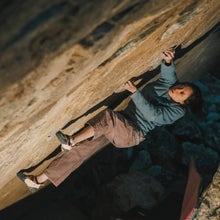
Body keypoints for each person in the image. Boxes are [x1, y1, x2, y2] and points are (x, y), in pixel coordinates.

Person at [17, 48, 202, 192]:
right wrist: (168, 61)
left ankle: (71, 140)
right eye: (182, 87)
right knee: (83, 151)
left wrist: (135, 93)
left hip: (132, 132)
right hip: (123, 122)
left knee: (108, 117)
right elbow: (170, 76)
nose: (178, 90)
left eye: (182, 93)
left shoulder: (178, 112)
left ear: (183, 103)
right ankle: (38, 181)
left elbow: (154, 115)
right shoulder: (170, 86)